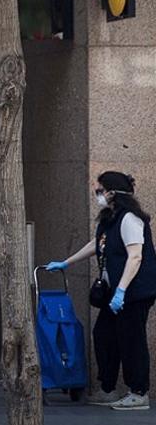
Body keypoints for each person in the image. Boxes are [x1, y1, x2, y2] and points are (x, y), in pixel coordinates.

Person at [44, 171, 156, 411]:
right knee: (104, 335)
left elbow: (135, 257)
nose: (97, 194)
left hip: (133, 292)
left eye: (99, 190)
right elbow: (97, 244)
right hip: (115, 291)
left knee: (131, 339)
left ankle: (138, 392)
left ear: (112, 193)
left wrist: (122, 291)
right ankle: (107, 388)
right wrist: (67, 262)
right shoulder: (110, 218)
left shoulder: (130, 219)